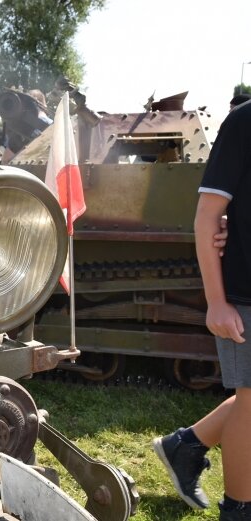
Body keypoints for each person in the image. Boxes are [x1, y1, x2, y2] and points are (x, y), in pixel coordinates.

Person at [152, 100, 251, 520]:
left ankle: (186, 446)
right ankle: (240, 509)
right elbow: (208, 214)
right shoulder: (245, 121)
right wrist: (216, 301)